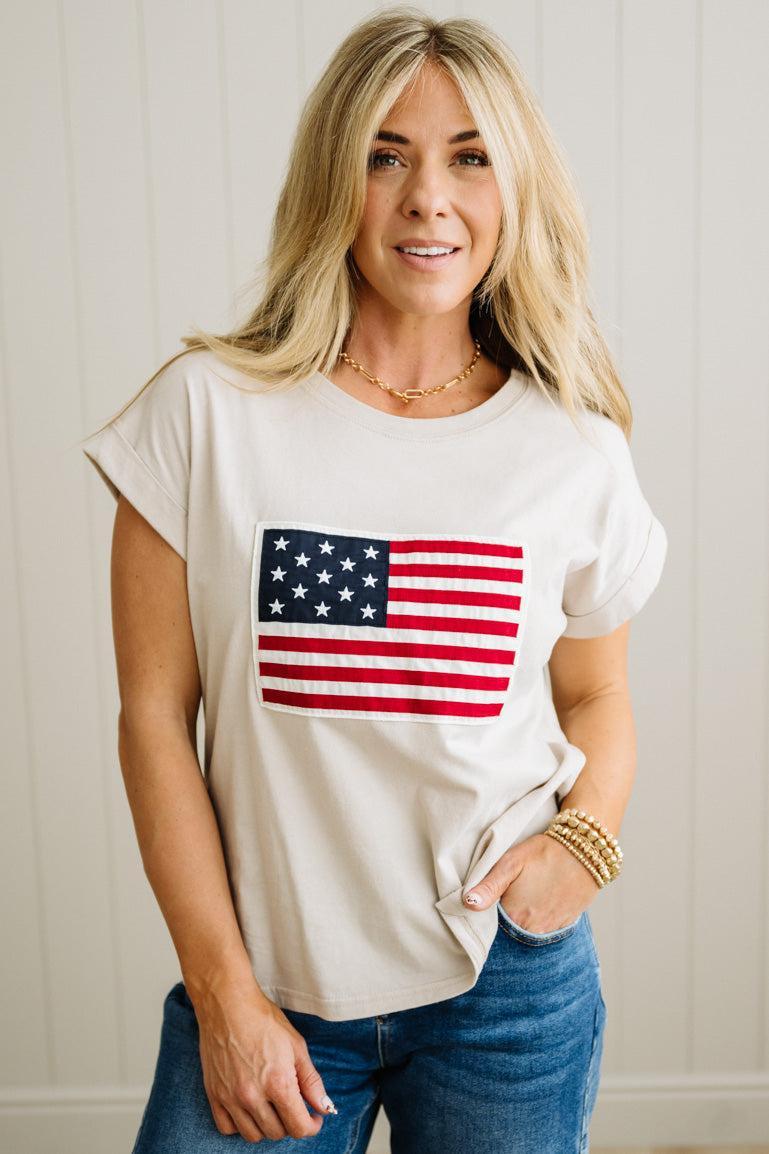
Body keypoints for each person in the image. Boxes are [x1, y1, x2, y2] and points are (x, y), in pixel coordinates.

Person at [80, 7, 667, 1152]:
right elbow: (155, 716)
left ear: (513, 189)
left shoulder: (573, 447)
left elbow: (596, 698)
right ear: (331, 181)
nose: (425, 199)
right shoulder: (203, 416)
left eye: (468, 157)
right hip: (270, 981)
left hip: (504, 987)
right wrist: (224, 994)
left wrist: (581, 846)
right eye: (384, 155)